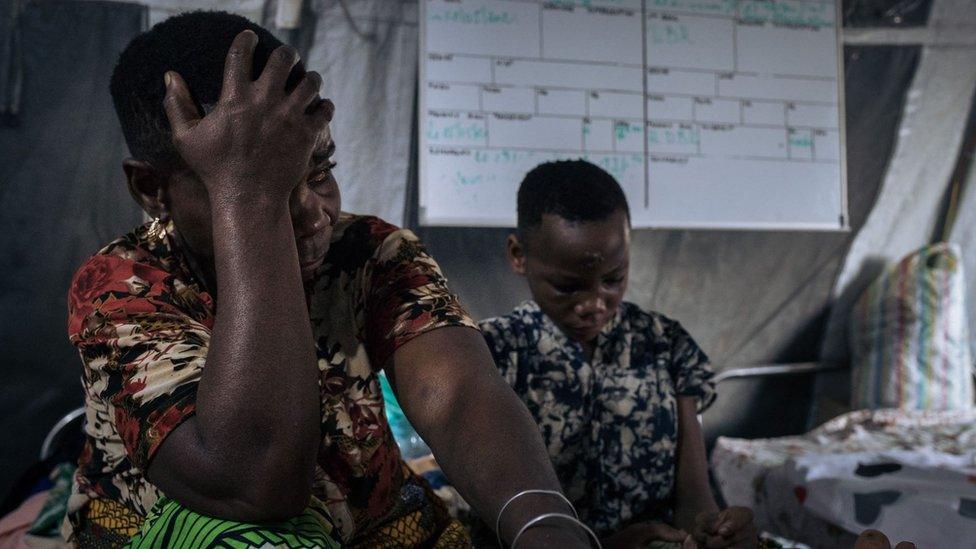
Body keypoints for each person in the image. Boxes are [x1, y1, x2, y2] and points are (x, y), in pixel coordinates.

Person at [64, 12, 597, 548]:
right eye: (258, 181)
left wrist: (544, 523)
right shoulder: (123, 287)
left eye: (320, 172)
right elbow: (254, 482)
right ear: (152, 188)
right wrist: (250, 197)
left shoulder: (368, 252)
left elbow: (457, 395)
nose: (315, 214)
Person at [479, 160, 763, 549]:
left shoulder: (666, 346)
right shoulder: (492, 355)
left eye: (613, 279)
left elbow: (693, 499)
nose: (595, 303)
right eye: (567, 286)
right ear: (518, 255)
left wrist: (715, 530)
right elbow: (497, 520)